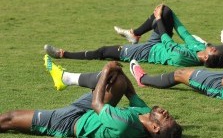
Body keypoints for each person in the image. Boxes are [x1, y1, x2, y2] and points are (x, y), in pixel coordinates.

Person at [0, 58, 182, 137]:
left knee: (10, 118)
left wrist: (105, 70)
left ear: (156, 128)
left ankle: (65, 78)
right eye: (169, 114)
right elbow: (130, 92)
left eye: (165, 117)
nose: (166, 111)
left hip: (72, 122)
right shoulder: (145, 113)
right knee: (117, 80)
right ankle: (65, 78)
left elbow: (97, 104)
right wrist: (117, 70)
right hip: (93, 110)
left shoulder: (126, 125)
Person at [45, 4, 223, 68]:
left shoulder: (183, 57)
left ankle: (63, 54)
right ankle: (135, 34)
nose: (212, 47)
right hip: (159, 42)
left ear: (206, 58)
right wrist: (167, 13)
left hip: (147, 52)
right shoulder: (199, 48)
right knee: (166, 12)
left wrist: (157, 18)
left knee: (103, 51)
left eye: (213, 50)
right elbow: (184, 33)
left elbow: (168, 41)